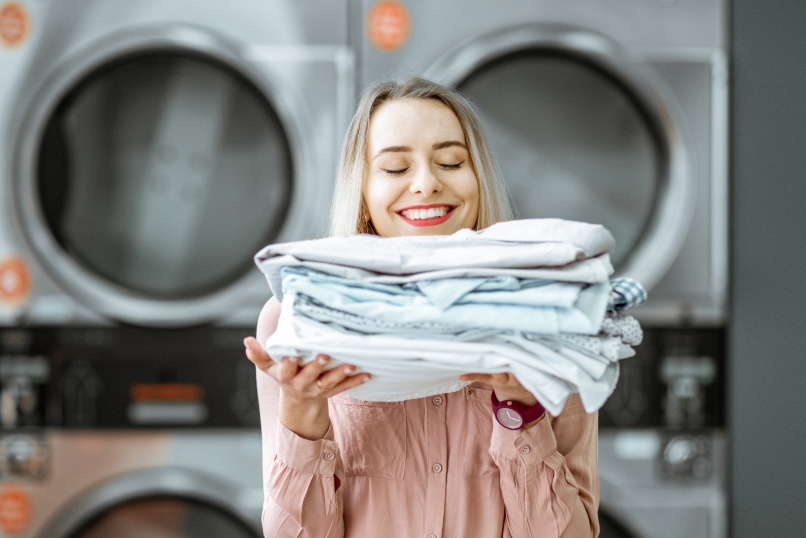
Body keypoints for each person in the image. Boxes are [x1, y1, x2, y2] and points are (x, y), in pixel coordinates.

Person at [244, 78, 599, 538]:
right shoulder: (301, 322)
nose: (427, 184)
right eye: (394, 168)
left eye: (451, 161)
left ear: (478, 179)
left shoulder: (546, 317)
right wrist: (302, 416)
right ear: (365, 193)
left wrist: (521, 410)